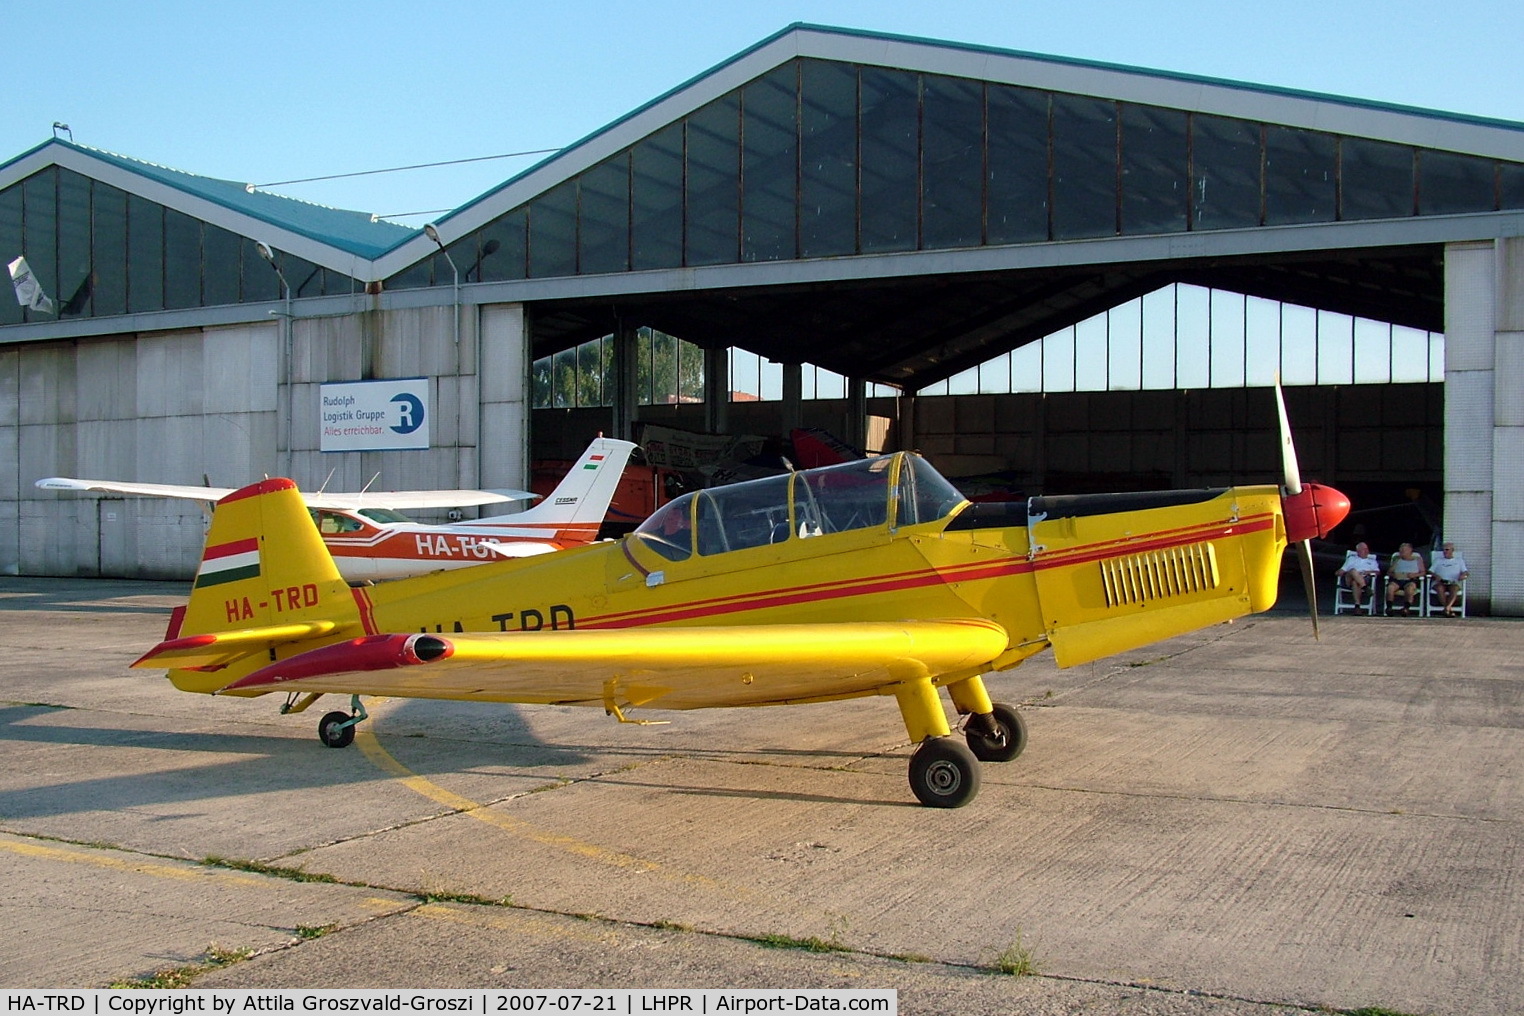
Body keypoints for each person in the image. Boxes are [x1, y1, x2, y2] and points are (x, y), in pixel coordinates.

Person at [1336, 542, 1382, 615]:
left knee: (1355, 582)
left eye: (1367, 549)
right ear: (1358, 551)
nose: (1366, 551)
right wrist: (1338, 572)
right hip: (1349, 578)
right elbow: (1342, 570)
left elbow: (1378, 572)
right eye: (1363, 549)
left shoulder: (1372, 561)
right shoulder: (1351, 559)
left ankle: (1357, 606)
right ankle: (1366, 588)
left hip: (1364, 578)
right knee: (1353, 570)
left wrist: (1368, 572)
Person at [1428, 542, 1469, 617]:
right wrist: (1435, 575)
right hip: (1440, 582)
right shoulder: (1438, 560)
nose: (1444, 552)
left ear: (1452, 550)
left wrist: (1463, 575)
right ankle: (1448, 609)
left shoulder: (1459, 560)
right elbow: (1430, 571)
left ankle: (1447, 608)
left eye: (1447, 550)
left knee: (1455, 588)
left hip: (1453, 582)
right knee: (1439, 587)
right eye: (1443, 550)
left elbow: (1466, 572)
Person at [1386, 542, 1427, 616]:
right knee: (1390, 587)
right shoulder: (1396, 559)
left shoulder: (1417, 559)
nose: (1401, 551)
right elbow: (1389, 572)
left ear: (1410, 550)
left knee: (1410, 588)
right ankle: (1389, 608)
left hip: (1410, 579)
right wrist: (1394, 575)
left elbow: (1423, 572)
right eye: (1400, 550)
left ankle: (1406, 608)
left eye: (1404, 550)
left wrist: (1415, 574)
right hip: (1397, 579)